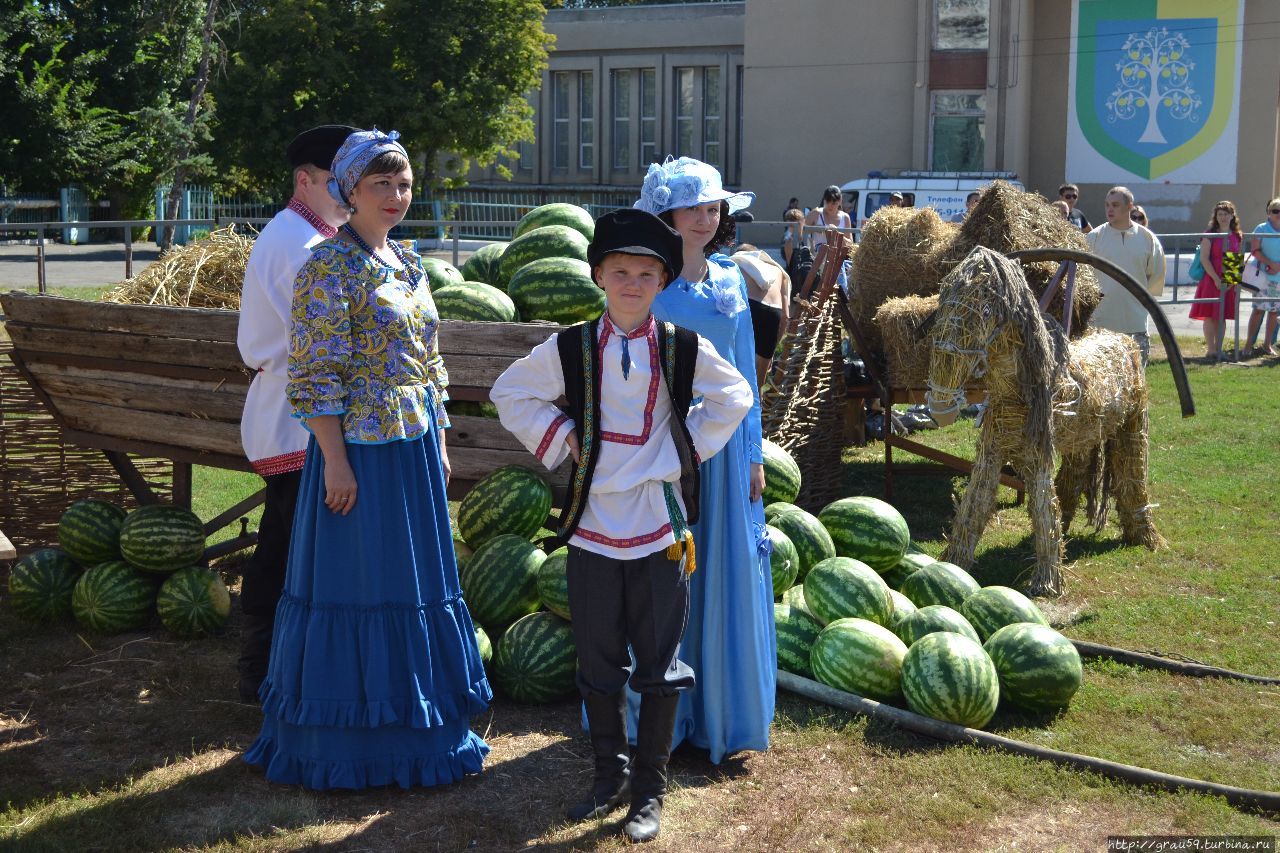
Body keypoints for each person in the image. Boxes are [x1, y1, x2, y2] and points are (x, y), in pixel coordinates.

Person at [491, 209, 752, 843]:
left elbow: (736, 397)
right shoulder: (572, 346)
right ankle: (607, 774)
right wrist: (564, 439)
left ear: (661, 282)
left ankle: (649, 792)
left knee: (659, 665)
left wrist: (678, 453)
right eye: (619, 272)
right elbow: (508, 392)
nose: (631, 283)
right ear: (598, 276)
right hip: (592, 528)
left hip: (661, 528)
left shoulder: (682, 345)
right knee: (599, 662)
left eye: (645, 273)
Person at [243, 128, 490, 790]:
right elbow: (315, 376)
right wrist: (336, 461)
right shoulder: (328, 265)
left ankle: (423, 733)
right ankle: (347, 743)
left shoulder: (408, 263)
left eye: (404, 183)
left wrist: (438, 441)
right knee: (358, 588)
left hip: (410, 453)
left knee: (411, 588)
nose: (396, 195)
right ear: (349, 188)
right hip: (358, 454)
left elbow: (431, 363)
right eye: (381, 183)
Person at [633, 156, 776, 766]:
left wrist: (752, 453)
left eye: (713, 206)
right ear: (666, 213)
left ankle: (720, 713)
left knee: (724, 571)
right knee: (665, 576)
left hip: (722, 454)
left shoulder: (730, 284)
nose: (705, 217)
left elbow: (746, 378)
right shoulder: (644, 282)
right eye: (692, 206)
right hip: (663, 451)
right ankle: (665, 714)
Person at [235, 123, 356, 703]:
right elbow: (322, 345)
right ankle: (264, 668)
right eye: (338, 180)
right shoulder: (299, 244)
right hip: (298, 415)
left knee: (287, 540)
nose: (348, 190)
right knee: (291, 545)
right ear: (303, 180)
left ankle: (269, 665)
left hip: (297, 410)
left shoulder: (312, 235)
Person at [1085, 186, 1166, 368]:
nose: (1109, 209)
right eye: (1107, 205)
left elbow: (1156, 276)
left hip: (1135, 323)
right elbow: (1084, 276)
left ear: (1129, 206)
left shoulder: (1148, 239)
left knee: (1136, 383)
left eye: (1115, 205)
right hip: (1101, 325)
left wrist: (1142, 302)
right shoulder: (1094, 237)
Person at [1187, 201, 1243, 359]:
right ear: (1216, 216)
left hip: (1228, 280)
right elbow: (1205, 259)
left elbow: (1236, 260)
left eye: (1226, 214)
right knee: (1210, 315)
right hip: (1211, 278)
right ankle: (1210, 349)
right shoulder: (1209, 233)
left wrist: (1230, 283)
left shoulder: (1236, 235)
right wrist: (1217, 279)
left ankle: (1219, 349)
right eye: (1220, 214)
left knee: (1222, 315)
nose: (1223, 217)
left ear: (1232, 216)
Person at [730, 247, 791, 382]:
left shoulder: (735, 262)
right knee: (758, 381)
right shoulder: (777, 269)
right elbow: (786, 317)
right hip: (774, 311)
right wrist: (772, 351)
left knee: (736, 373)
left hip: (748, 305)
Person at [1243, 198, 1280, 358]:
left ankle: (1267, 344)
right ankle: (1248, 345)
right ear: (1269, 213)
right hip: (1262, 276)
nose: (1278, 214)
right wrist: (1270, 264)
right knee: (1258, 310)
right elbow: (1255, 250)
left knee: (1274, 312)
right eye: (1275, 211)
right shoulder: (1261, 228)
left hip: (1278, 278)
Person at [805, 185, 852, 250]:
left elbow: (850, 244)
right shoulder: (816, 213)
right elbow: (801, 231)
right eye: (827, 202)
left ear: (840, 201)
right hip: (818, 257)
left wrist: (836, 233)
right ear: (824, 200)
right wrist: (816, 229)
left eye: (833, 203)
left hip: (837, 257)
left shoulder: (845, 217)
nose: (830, 206)